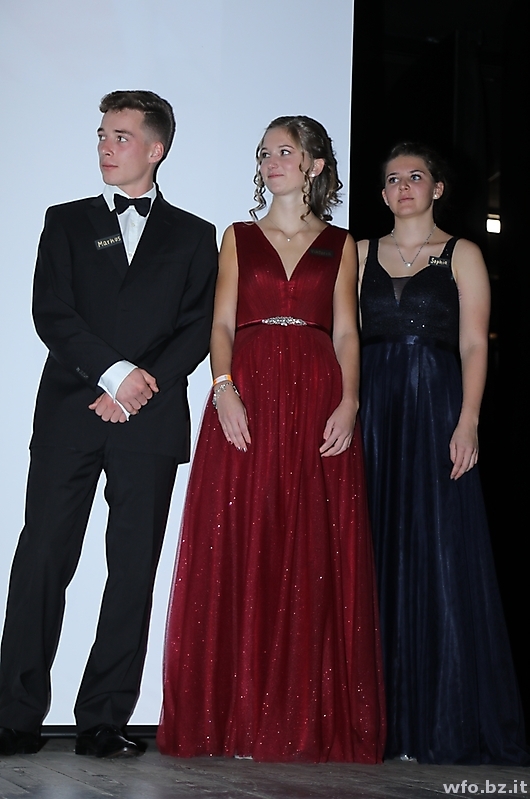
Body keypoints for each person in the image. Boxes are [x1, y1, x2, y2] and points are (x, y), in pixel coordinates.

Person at [157, 116, 386, 763]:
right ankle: (230, 717)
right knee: (241, 537)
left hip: (316, 395)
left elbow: (347, 331)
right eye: (264, 153)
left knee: (309, 546)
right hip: (249, 391)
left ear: (315, 165)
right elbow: (221, 323)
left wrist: (349, 400)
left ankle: (298, 718)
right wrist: (223, 386)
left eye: (284, 151)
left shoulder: (341, 244)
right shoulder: (238, 236)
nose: (271, 162)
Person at [0, 91, 217, 758]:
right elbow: (50, 311)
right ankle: (14, 715)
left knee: (132, 570)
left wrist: (136, 388)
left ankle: (102, 718)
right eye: (102, 134)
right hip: (70, 411)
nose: (104, 146)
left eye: (120, 136)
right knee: (42, 557)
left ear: (156, 149)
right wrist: (113, 375)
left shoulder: (195, 234)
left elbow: (198, 327)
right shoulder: (64, 221)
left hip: (148, 419)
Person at [357, 142, 528, 764]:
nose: (402, 186)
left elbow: (476, 345)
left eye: (415, 176)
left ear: (437, 188)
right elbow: (344, 339)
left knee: (438, 552)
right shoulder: (358, 253)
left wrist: (469, 421)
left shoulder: (464, 254)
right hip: (373, 413)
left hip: (436, 410)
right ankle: (372, 723)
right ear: (382, 193)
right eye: (392, 178)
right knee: (370, 551)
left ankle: (437, 719)